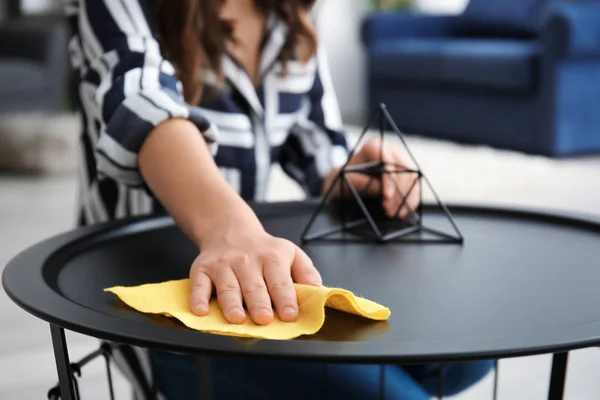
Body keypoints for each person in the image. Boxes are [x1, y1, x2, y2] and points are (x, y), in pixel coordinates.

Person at [63, 0, 494, 398]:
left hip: (253, 290)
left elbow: (316, 140)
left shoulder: (290, 13)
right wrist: (230, 230)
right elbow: (141, 101)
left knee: (466, 358)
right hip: (159, 311)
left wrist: (353, 173)